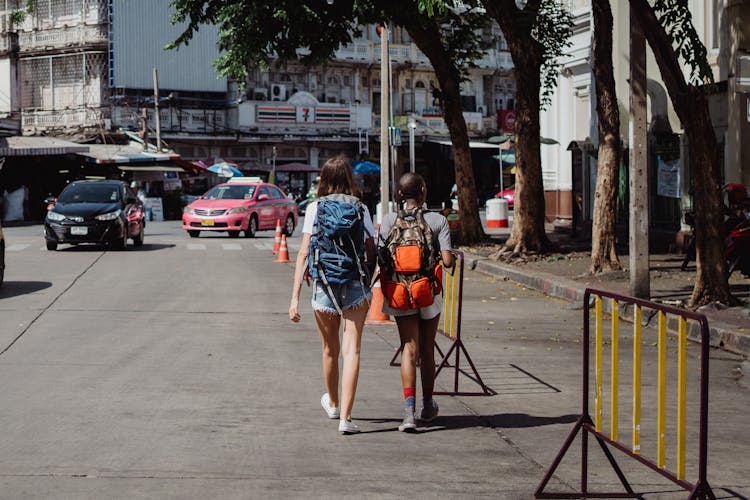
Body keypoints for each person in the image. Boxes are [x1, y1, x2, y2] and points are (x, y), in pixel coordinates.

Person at [289, 155, 376, 435]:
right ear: (349, 178)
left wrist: (294, 298)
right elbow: (371, 249)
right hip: (355, 284)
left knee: (330, 350)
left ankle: (334, 403)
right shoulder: (361, 208)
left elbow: (303, 252)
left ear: (324, 179)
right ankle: (346, 420)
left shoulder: (315, 208)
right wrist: (369, 281)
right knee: (353, 351)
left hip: (324, 284)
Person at [379, 173, 454, 432]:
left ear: (399, 194)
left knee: (408, 349)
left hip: (400, 292)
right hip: (427, 293)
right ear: (423, 190)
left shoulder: (389, 221)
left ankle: (408, 414)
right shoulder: (437, 220)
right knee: (427, 350)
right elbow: (447, 261)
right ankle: (428, 405)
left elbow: (382, 257)